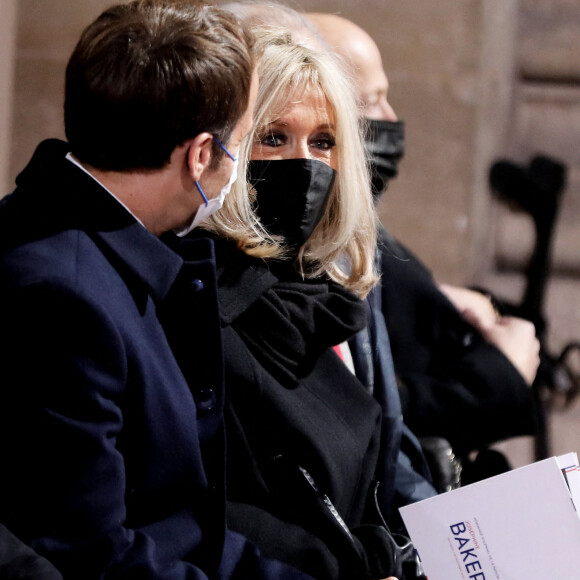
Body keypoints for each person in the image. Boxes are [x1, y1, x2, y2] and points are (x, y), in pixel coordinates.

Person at [0, 2, 315, 578]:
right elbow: (98, 556)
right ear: (201, 156)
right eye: (244, 141)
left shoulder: (110, 243)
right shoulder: (63, 298)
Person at [198, 23, 414, 580]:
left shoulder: (323, 297)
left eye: (322, 141)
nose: (305, 162)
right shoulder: (195, 301)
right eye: (273, 137)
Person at [308, 12, 540, 463]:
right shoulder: (293, 247)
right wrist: (498, 376)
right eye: (371, 101)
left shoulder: (355, 227)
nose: (390, 118)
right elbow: (351, 410)